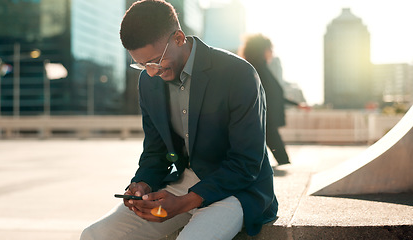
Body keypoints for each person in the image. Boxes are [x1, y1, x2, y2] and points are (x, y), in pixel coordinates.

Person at [80, 1, 278, 239]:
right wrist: (142, 183)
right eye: (141, 65)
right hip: (182, 183)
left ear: (179, 38)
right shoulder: (148, 81)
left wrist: (185, 202)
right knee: (95, 235)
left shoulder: (238, 74)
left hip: (237, 189)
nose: (151, 72)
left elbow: (246, 162)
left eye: (155, 61)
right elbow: (156, 151)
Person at [239, 33, 296, 166]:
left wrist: (297, 104)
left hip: (263, 120)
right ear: (261, 50)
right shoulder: (256, 70)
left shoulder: (257, 68)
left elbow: (274, 94)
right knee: (282, 159)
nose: (272, 52)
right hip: (263, 120)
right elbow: (270, 94)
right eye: (270, 49)